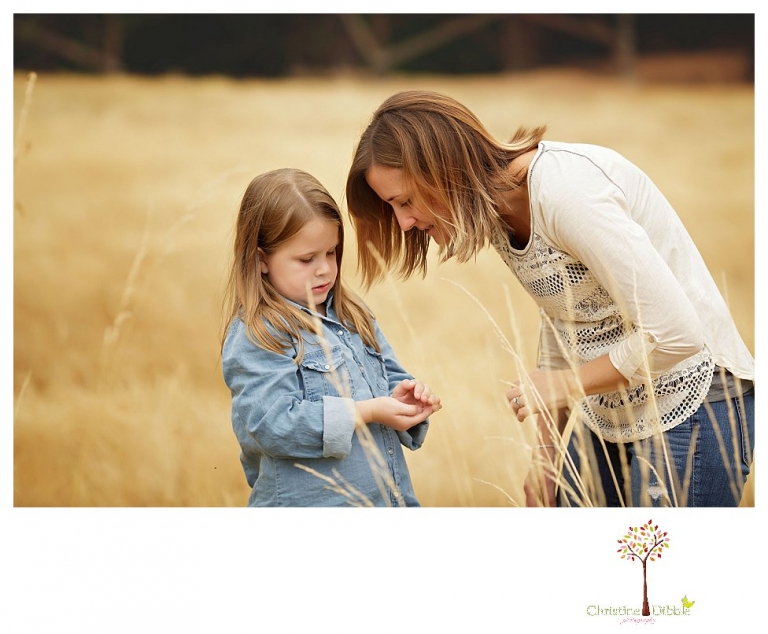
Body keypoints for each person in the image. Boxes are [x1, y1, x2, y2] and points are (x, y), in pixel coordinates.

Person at [345, 90, 754, 508]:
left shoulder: (565, 193)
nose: (405, 222)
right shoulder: (499, 212)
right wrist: (545, 458)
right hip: (611, 413)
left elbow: (677, 335)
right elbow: (566, 324)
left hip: (696, 407)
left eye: (405, 201)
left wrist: (564, 384)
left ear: (443, 169)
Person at [221, 167, 441, 507]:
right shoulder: (259, 334)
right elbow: (272, 425)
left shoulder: (353, 314)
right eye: (306, 259)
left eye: (331, 253)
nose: (324, 269)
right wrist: (366, 411)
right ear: (261, 259)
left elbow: (389, 380)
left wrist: (407, 399)